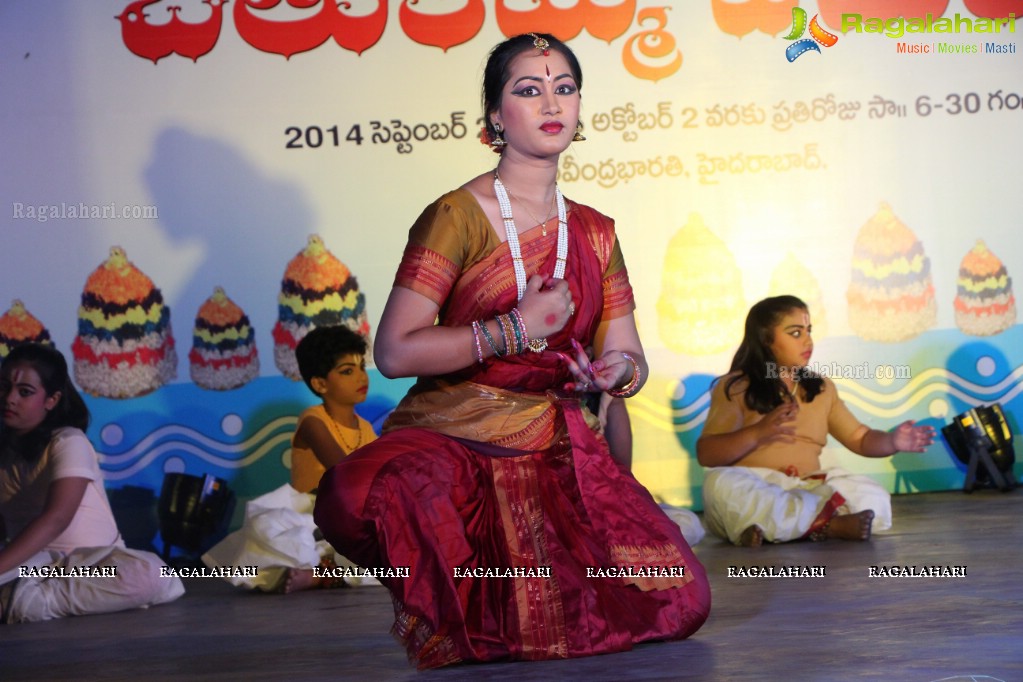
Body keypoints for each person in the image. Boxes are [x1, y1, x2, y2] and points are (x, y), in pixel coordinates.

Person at [314, 33, 710, 669]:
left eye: (564, 88)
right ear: (496, 117)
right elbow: (393, 351)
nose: (551, 102)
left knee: (679, 601)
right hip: (459, 434)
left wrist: (619, 371)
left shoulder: (595, 232)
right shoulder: (457, 215)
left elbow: (629, 356)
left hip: (557, 445)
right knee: (356, 494)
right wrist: (513, 328)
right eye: (528, 90)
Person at [696, 295, 935, 547]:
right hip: (756, 484)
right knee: (720, 485)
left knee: (871, 496)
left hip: (807, 485)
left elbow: (860, 438)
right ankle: (826, 525)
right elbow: (708, 454)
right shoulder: (736, 386)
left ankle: (778, 527)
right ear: (766, 339)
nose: (808, 340)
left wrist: (892, 440)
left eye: (809, 331)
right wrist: (758, 433)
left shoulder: (821, 388)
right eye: (795, 333)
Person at [0, 343, 184, 622]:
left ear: (51, 400)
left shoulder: (68, 441)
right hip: (32, 568)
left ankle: (23, 601)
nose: (9, 399)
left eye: (24, 392)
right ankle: (20, 598)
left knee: (152, 574)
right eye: (4, 387)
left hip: (90, 565)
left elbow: (57, 519)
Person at [202, 324, 378, 592]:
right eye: (347, 371)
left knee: (396, 547)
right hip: (309, 515)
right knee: (268, 529)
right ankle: (321, 565)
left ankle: (321, 573)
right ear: (320, 383)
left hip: (350, 518)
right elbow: (344, 471)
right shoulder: (312, 421)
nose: (361, 377)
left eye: (362, 368)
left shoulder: (366, 429)